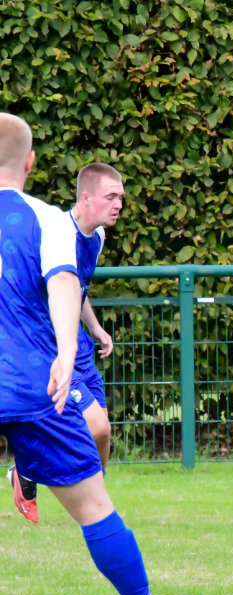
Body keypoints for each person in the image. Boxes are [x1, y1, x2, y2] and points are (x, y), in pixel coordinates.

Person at [0, 112, 195, 595]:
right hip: (32, 385)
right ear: (30, 163)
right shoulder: (45, 219)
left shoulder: (78, 229)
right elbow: (63, 282)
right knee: (93, 507)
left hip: (29, 383)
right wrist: (67, 352)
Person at [8, 162, 120, 523]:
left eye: (120, 197)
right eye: (111, 197)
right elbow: (56, 287)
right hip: (53, 348)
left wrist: (96, 328)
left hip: (80, 347)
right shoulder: (55, 228)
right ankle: (27, 470)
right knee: (95, 426)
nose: (118, 204)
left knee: (102, 433)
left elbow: (75, 288)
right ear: (85, 198)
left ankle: (96, 504)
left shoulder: (97, 237)